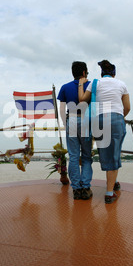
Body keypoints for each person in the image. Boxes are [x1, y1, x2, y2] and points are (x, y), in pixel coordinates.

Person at [78, 60, 130, 204]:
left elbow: (82, 99)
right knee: (115, 152)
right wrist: (118, 117)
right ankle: (109, 193)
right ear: (114, 73)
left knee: (106, 152)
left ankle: (114, 182)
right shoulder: (121, 84)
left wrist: (81, 83)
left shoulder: (94, 83)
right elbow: (127, 107)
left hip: (99, 120)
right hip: (115, 119)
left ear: (102, 73)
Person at [57, 61, 93, 200]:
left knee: (73, 156)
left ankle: (76, 189)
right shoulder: (90, 86)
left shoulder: (65, 87)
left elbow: (61, 109)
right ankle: (85, 187)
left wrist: (65, 125)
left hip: (71, 119)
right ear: (84, 72)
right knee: (86, 156)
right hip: (85, 120)